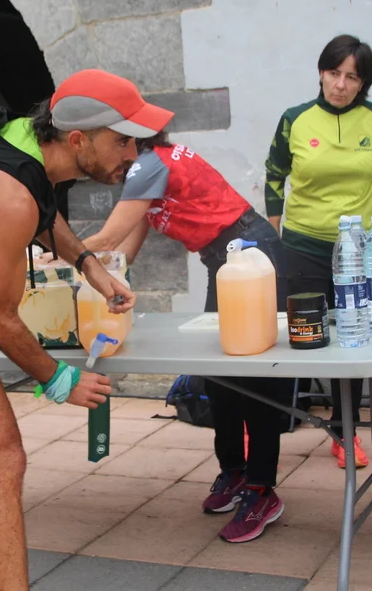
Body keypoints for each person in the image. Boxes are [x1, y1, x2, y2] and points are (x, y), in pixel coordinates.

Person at [0, 69, 172, 591]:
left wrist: (90, 266)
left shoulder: (30, 141)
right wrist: (60, 380)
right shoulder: (11, 194)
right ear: (78, 139)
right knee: (4, 459)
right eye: (123, 141)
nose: (134, 155)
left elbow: (44, 211)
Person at [82, 130, 292, 543]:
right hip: (224, 260)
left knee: (255, 376)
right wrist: (103, 282)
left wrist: (42, 257)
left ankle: (261, 490)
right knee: (217, 373)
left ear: (124, 139)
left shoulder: (149, 163)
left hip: (251, 253)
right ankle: (234, 471)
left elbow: (105, 239)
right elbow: (123, 252)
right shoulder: (144, 172)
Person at [264, 34, 372, 470]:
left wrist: (364, 184)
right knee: (301, 337)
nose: (341, 85)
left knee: (352, 340)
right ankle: (271, 427)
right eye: (333, 73)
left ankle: (345, 432)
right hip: (303, 243)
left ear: (364, 83)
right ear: (321, 73)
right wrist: (274, 234)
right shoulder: (296, 119)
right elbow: (274, 173)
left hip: (358, 247)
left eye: (352, 77)